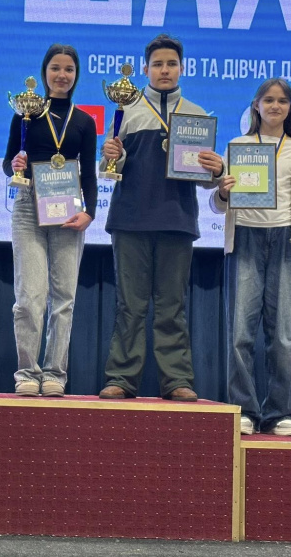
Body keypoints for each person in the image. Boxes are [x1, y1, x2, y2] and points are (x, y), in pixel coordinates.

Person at [98, 34, 223, 402]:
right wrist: (110, 156)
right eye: (157, 64)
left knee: (172, 307)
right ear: (146, 69)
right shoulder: (126, 110)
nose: (164, 70)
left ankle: (177, 379)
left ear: (182, 68)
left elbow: (206, 181)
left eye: (171, 64)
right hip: (129, 221)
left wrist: (217, 170)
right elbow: (108, 171)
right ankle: (121, 377)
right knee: (130, 306)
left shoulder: (197, 115)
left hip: (177, 221)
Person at [211, 78, 291, 435]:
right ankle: (244, 409)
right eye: (269, 100)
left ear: (290, 108)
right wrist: (223, 193)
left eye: (283, 101)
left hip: (287, 241)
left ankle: (280, 413)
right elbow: (217, 205)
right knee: (240, 334)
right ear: (256, 105)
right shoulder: (237, 145)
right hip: (245, 237)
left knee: (284, 335)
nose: (275, 106)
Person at [2, 44, 97, 397]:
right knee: (29, 296)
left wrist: (90, 212)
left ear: (76, 75)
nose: (62, 75)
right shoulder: (25, 114)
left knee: (64, 298)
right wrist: (14, 165)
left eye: (69, 69)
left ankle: (56, 373)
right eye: (55, 68)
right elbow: (8, 162)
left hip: (69, 211)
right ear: (45, 72)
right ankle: (27, 372)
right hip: (29, 208)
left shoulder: (84, 122)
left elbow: (89, 174)